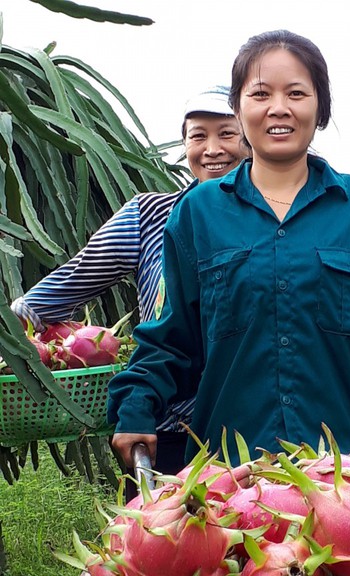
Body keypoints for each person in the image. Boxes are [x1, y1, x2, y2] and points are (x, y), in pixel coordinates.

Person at [108, 31, 350, 477]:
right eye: (260, 93)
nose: (278, 107)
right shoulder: (198, 214)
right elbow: (173, 338)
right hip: (232, 476)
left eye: (296, 93)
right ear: (239, 109)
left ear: (320, 108)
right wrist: (137, 404)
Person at [11, 86, 248, 477]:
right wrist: (11, 327)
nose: (213, 149)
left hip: (257, 427)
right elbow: (74, 279)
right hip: (167, 426)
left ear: (250, 139)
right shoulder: (149, 215)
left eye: (227, 133)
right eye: (198, 135)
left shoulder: (277, 219)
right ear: (184, 143)